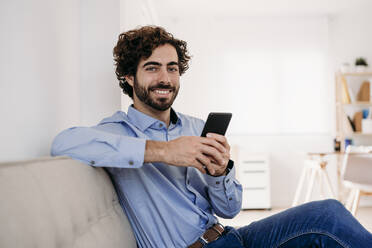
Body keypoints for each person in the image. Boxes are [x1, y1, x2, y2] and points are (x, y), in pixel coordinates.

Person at [51, 25, 372, 248]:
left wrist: (220, 174)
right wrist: (163, 152)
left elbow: (231, 208)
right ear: (128, 77)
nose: (165, 78)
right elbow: (64, 143)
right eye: (152, 68)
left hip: (231, 235)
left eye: (173, 68)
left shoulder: (196, 126)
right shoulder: (118, 131)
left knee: (327, 213)